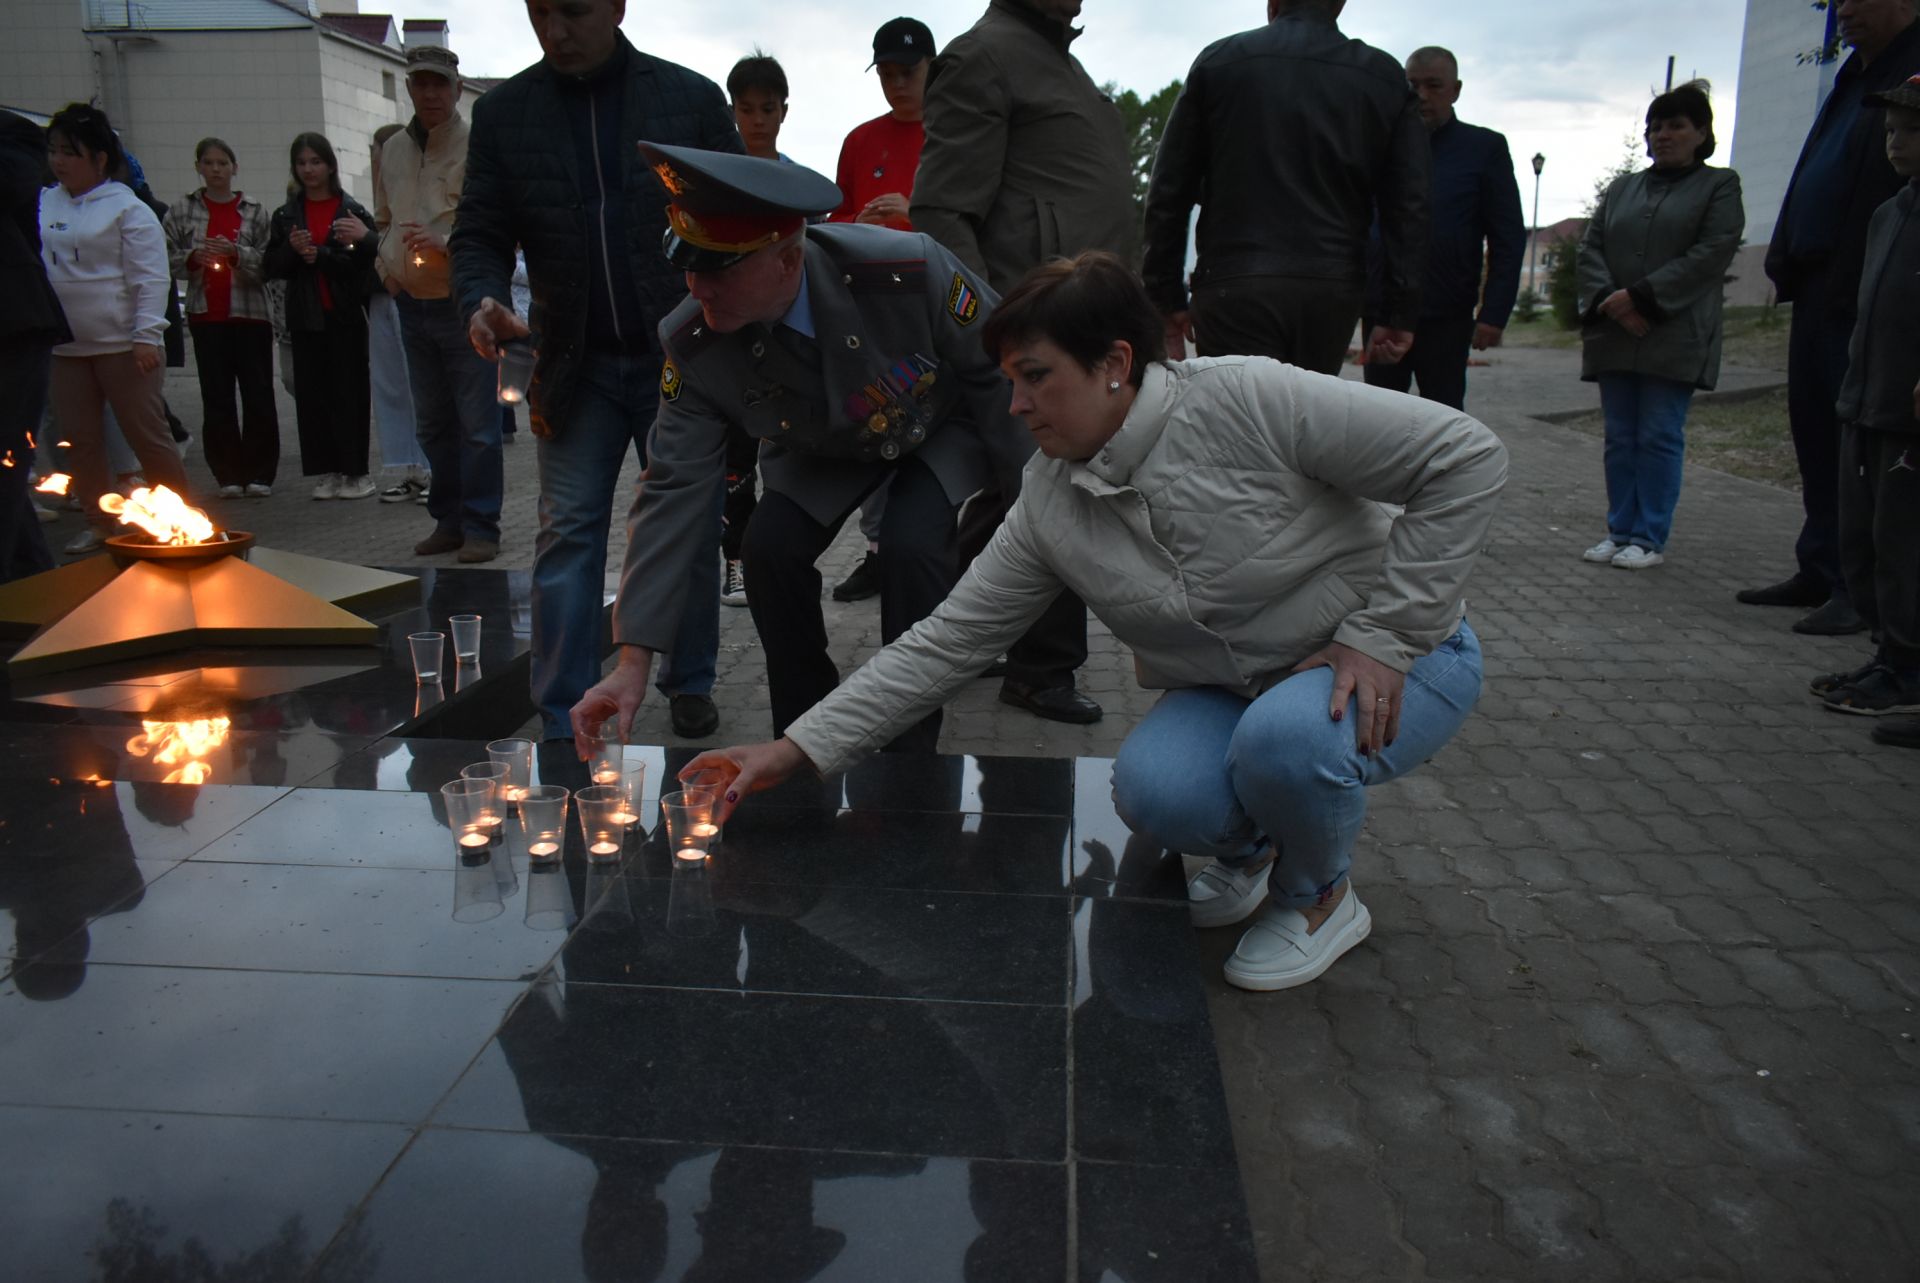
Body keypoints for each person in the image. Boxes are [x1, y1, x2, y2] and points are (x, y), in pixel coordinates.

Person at [670, 252, 1506, 993]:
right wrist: (792, 750)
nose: (1015, 407)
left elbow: (1465, 456)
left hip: (1399, 658)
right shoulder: (1051, 499)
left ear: (1115, 363)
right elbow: (947, 642)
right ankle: (1254, 853)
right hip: (1237, 686)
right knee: (1152, 793)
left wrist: (1384, 633)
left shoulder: (1248, 397)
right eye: (1008, 381)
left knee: (1284, 745)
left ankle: (1320, 896)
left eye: (1037, 378)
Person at [570, 145, 1031, 754]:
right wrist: (632, 660)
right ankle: (803, 739)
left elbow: (1002, 374)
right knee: (768, 548)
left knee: (913, 543)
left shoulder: (906, 268)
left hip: (936, 423)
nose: (695, 285)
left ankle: (909, 747)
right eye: (689, 262)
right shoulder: (696, 340)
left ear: (789, 259)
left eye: (720, 267)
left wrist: (1034, 512)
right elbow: (672, 491)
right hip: (824, 448)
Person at [451, 0, 743, 742]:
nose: (557, 30)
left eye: (574, 10)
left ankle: (690, 678)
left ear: (616, 6)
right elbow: (479, 229)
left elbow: (739, 216)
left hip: (679, 360)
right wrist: (482, 298)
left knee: (688, 526)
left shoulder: (688, 98)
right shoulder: (506, 113)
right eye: (539, 12)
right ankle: (561, 708)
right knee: (567, 534)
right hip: (569, 362)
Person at [908, 0, 1125, 726]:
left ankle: (950, 623)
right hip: (1031, 332)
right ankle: (1039, 670)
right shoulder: (985, 55)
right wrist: (998, 332)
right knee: (1057, 486)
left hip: (1075, 321)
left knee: (1016, 496)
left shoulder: (1057, 59)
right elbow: (941, 211)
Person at [1743, 0, 1920, 634]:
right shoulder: (1852, 75)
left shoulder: (1911, 72)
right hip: (1819, 284)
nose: (1843, 9)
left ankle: (1860, 589)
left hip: (1869, 292)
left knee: (1862, 449)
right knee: (1816, 433)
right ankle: (1820, 566)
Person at [1143, 0, 1428, 375]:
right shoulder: (1384, 76)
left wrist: (1165, 297)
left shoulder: (1219, 62)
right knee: (1305, 420)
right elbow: (1409, 206)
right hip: (1332, 288)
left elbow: (1169, 189)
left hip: (1234, 283)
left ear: (1272, 3)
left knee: (1235, 418)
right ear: (1339, 5)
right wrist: (1398, 311)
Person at [1573, 82, 1744, 572]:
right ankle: (1619, 530)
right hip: (1615, 331)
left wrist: (1642, 298)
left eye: (1676, 126)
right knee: (1620, 436)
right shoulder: (1623, 188)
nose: (1662, 135)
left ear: (1701, 133)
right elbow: (1592, 247)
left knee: (1659, 435)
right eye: (1655, 126)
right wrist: (1612, 301)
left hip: (1672, 333)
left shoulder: (1719, 186)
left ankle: (1648, 537)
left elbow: (1712, 251)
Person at [1814, 74, 1920, 737]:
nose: (1896, 141)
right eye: (1890, 130)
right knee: (1871, 537)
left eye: (1911, 130)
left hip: (1910, 415)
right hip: (1870, 401)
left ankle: (1911, 667)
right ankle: (1888, 652)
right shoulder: (1892, 212)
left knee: (1909, 545)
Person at [38, 102, 191, 557]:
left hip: (124, 345)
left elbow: (150, 277)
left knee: (148, 437)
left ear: (100, 158)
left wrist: (147, 334)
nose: (59, 161)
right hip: (67, 345)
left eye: (71, 152)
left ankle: (177, 522)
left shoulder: (129, 209)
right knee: (81, 440)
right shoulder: (44, 202)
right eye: (54, 151)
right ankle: (99, 520)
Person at [825, 16, 939, 605]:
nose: (897, 84)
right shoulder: (860, 140)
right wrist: (858, 223)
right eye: (887, 74)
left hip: (937, 314)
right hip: (871, 315)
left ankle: (943, 561)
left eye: (907, 72)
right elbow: (830, 224)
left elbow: (974, 222)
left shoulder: (954, 135)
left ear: (933, 69)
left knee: (940, 435)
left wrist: (915, 213)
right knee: (876, 423)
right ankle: (876, 552)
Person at [376, 45, 503, 562]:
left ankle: (482, 526)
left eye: (438, 84)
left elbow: (493, 227)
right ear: (409, 88)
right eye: (420, 83)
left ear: (456, 88)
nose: (429, 93)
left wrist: (444, 243)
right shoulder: (392, 151)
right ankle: (447, 520)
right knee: (431, 421)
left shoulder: (478, 147)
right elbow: (383, 218)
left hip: (460, 301)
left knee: (477, 423)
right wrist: (386, 271)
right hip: (411, 303)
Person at [1362, 46, 1524, 410]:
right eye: (1412, 85)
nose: (1422, 95)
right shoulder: (1378, 146)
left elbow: (1507, 237)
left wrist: (1494, 314)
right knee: (1376, 419)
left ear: (1456, 89)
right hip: (1382, 310)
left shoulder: (1484, 149)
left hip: (1446, 314)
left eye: (1434, 85)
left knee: (1444, 420)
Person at [718, 50, 798, 606]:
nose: (757, 120)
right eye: (746, 109)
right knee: (736, 458)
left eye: (767, 109)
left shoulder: (795, 182)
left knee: (787, 452)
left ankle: (783, 560)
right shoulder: (715, 178)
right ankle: (736, 560)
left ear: (784, 111)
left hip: (784, 334)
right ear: (733, 111)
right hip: (730, 335)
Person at [161, 137, 279, 499]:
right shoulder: (181, 210)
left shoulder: (255, 210)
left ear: (234, 168)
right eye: (209, 163)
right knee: (217, 396)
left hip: (251, 313)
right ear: (198, 166)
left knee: (258, 393)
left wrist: (236, 253)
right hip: (206, 314)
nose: (216, 170)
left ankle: (260, 472)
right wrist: (194, 257)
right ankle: (227, 472)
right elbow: (164, 258)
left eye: (223, 163)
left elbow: (270, 261)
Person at [264, 132, 378, 502]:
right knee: (312, 397)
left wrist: (324, 256)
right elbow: (270, 266)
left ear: (330, 165)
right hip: (304, 316)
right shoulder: (285, 215)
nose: (309, 170)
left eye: (316, 161)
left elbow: (367, 265)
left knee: (350, 393)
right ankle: (326, 470)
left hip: (344, 316)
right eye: (302, 163)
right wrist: (292, 251)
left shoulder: (352, 210)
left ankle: (356, 471)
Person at [1, 109, 67, 582]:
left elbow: (21, 177)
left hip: (13, 328)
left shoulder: (12, 136)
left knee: (5, 460)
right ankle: (34, 586)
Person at [368, 123, 428, 506]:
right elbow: (381, 230)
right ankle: (408, 468)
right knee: (393, 387)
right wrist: (384, 271)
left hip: (426, 294)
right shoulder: (382, 198)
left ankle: (435, 469)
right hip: (388, 294)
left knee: (425, 387)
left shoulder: (423, 185)